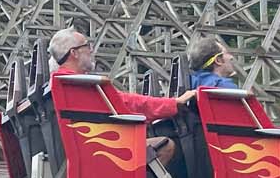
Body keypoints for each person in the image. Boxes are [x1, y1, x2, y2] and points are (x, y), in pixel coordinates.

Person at [48, 28, 195, 120]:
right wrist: (173, 103)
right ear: (74, 53)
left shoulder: (62, 84)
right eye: (87, 46)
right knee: (167, 146)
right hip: (109, 146)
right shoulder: (82, 83)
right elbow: (128, 103)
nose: (91, 50)